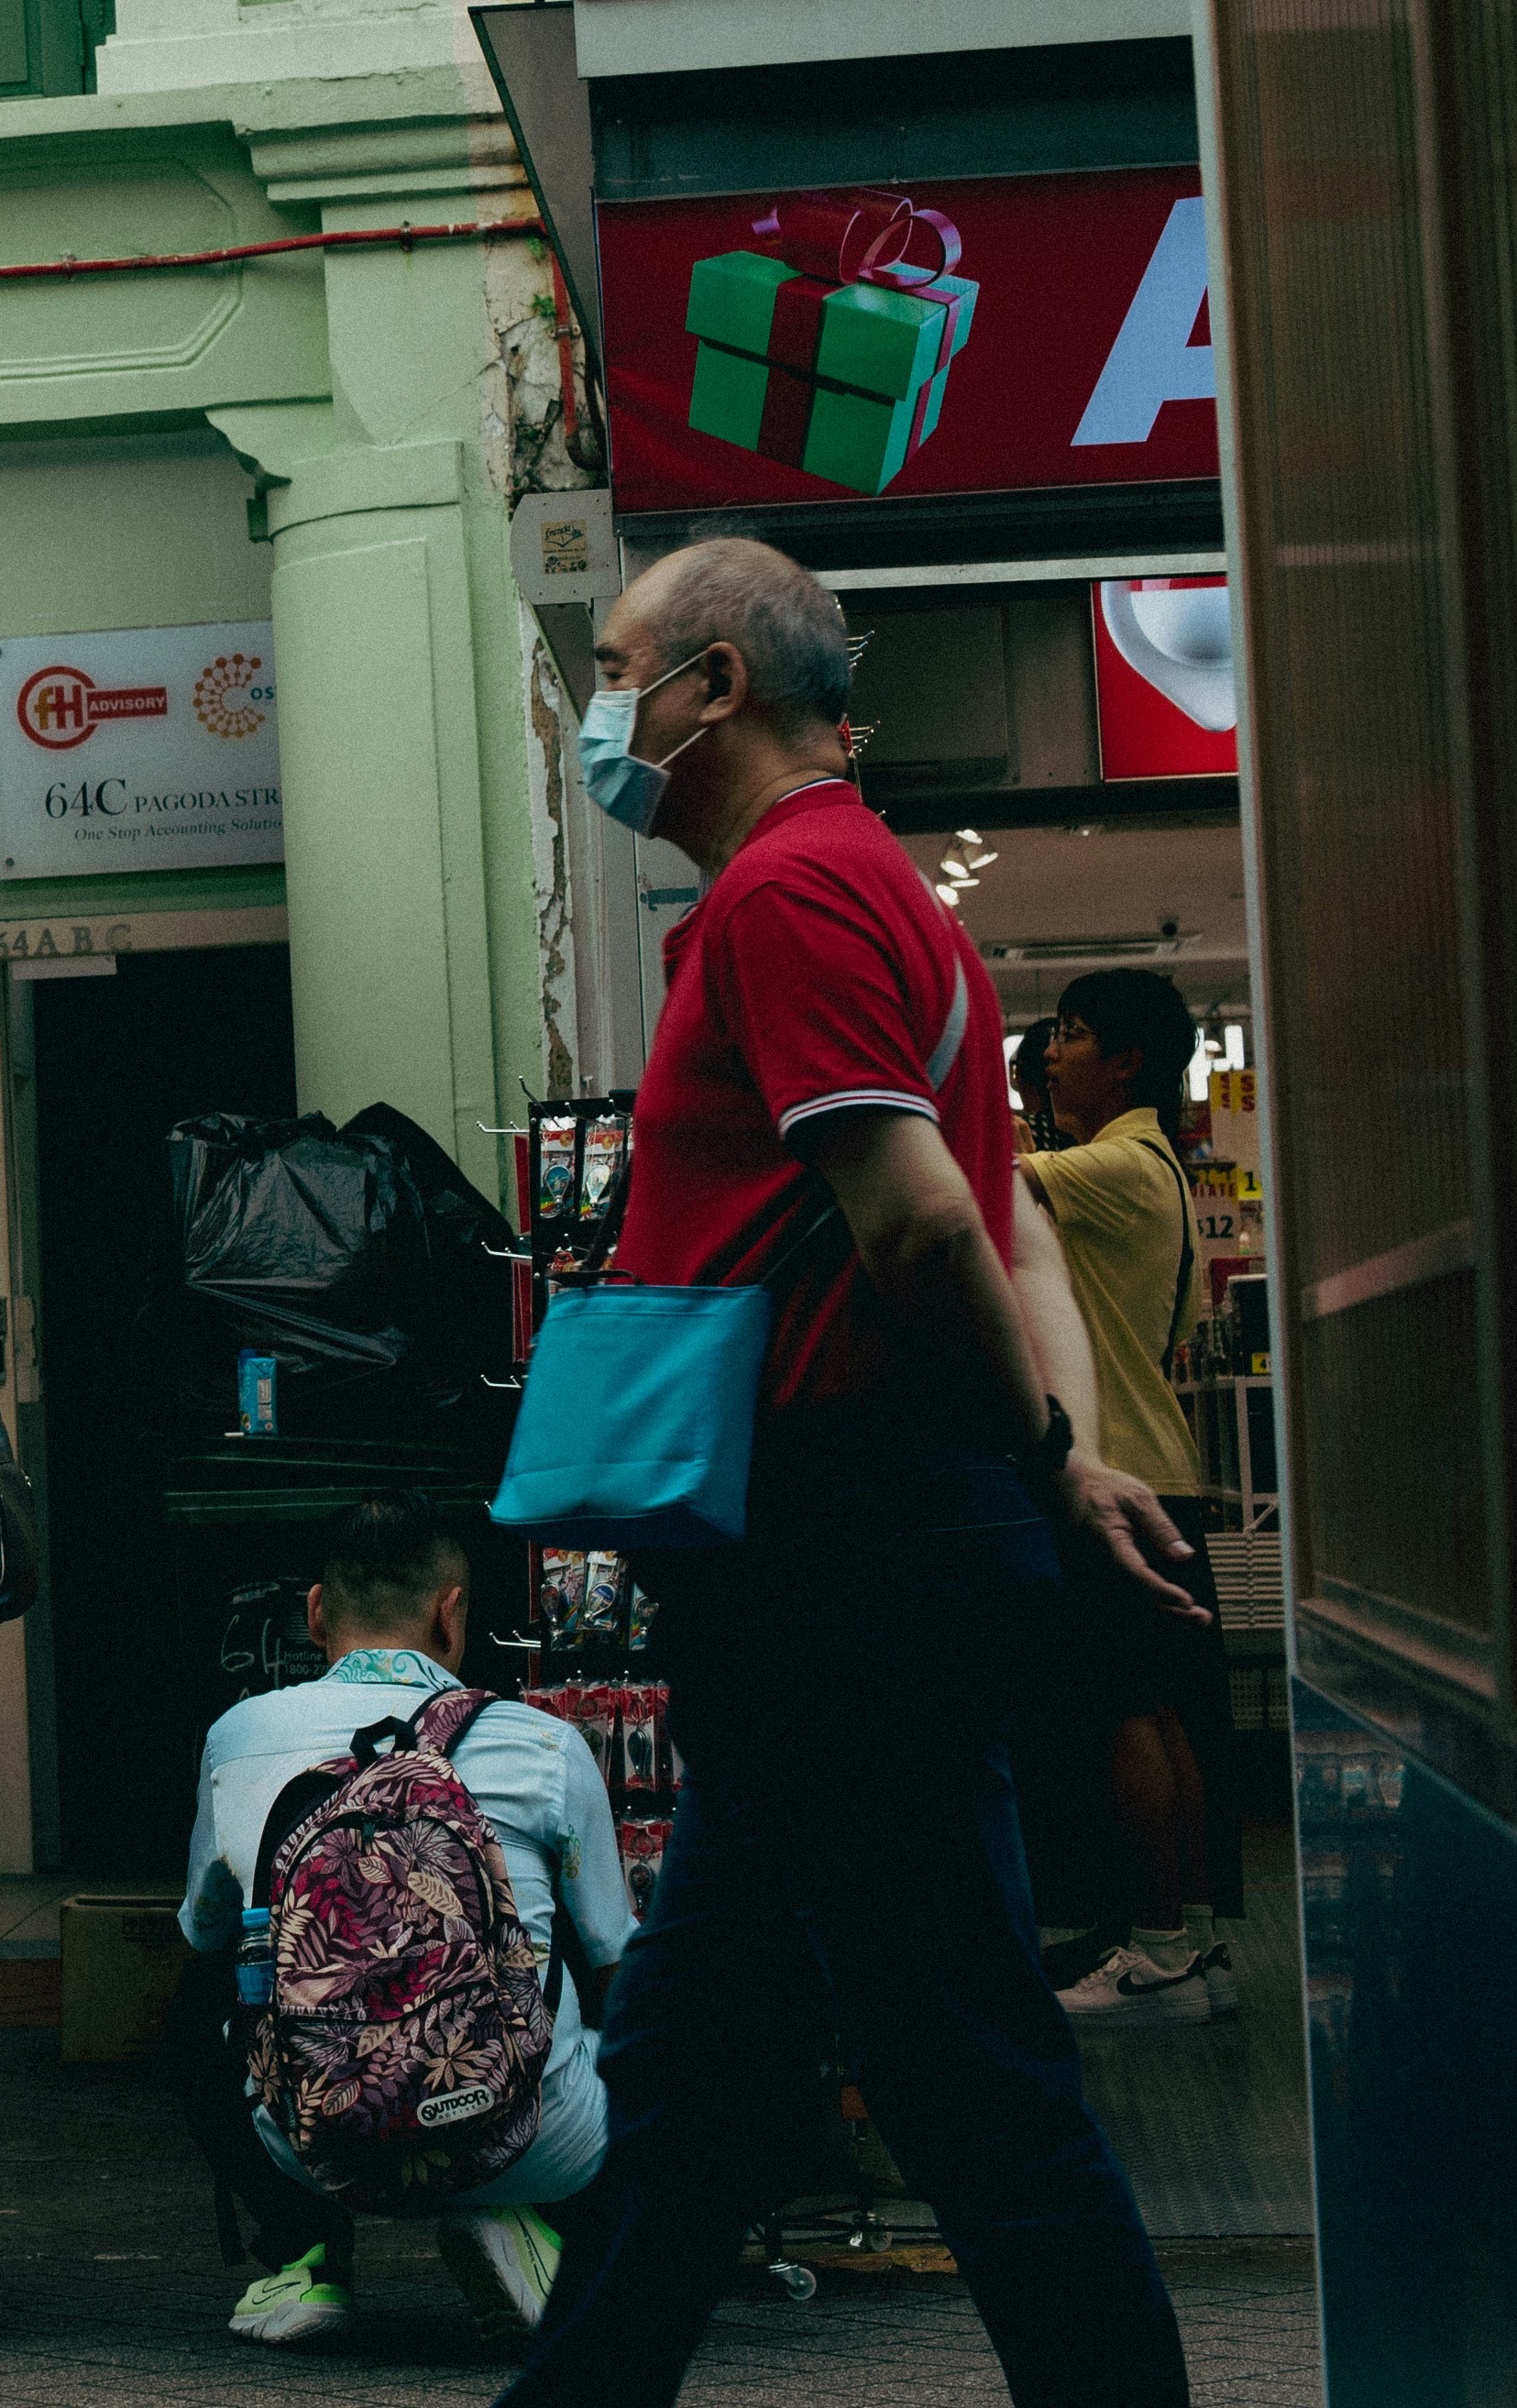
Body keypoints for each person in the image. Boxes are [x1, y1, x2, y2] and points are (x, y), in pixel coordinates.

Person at [501, 537, 1204, 2408]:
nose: (600, 704)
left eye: (618, 661)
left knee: (956, 2054)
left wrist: (1048, 1460)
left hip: (839, 1544)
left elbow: (918, 1229)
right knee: (704, 2045)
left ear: (713, 682)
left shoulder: (787, 897)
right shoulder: (876, 891)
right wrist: (1054, 1458)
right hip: (843, 1546)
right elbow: (1011, 1237)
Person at [172, 1494, 632, 2352]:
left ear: (314, 1612)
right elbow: (616, 1960)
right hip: (536, 2135)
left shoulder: (238, 1735)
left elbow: (202, 1932)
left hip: (319, 2140)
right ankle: (533, 2218)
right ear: (451, 1611)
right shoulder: (544, 1745)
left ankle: (306, 2254)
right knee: (574, 1946)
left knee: (211, 1986)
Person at [1022, 969, 1237, 2026]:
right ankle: (1188, 1937)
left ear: (1126, 1062)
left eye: (1067, 1036)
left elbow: (984, 1186)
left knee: (1122, 1710)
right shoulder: (1160, 1172)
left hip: (1120, 1475)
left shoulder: (1113, 1167)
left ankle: (1152, 1948)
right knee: (1159, 1706)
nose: (1050, 1055)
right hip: (1162, 1472)